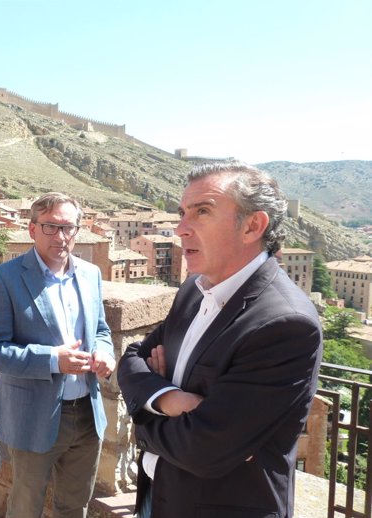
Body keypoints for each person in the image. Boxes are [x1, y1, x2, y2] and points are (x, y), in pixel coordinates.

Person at [117, 161, 323, 518]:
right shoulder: (193, 292)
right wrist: (169, 399)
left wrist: (143, 415)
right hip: (159, 498)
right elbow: (133, 357)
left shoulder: (284, 323)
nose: (181, 229)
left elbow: (204, 450)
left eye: (202, 212)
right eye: (183, 213)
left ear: (253, 226)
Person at [0, 192, 116, 518]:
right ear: (32, 230)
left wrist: (104, 354)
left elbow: (100, 330)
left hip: (87, 412)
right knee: (26, 508)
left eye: (68, 228)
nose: (61, 236)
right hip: (32, 417)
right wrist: (53, 360)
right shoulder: (4, 278)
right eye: (51, 227)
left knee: (74, 507)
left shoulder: (90, 274)